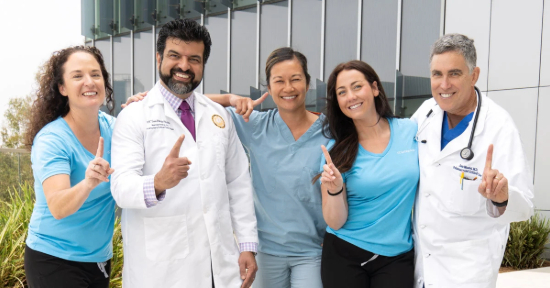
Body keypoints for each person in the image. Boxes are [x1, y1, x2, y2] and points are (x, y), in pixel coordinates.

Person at [110, 19, 258, 288]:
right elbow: (120, 188)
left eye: (194, 59)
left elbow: (238, 182)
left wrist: (247, 244)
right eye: (175, 56)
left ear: (203, 64)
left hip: (218, 265)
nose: (184, 66)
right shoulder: (134, 116)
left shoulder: (218, 116)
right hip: (161, 268)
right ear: (159, 58)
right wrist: (157, 183)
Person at [412, 34, 534, 288]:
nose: (444, 84)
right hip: (421, 265)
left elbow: (524, 206)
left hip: (465, 272)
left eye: (454, 73)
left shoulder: (499, 126)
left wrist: (501, 196)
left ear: (474, 75)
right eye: (437, 74)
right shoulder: (425, 112)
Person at [206, 47, 328, 288]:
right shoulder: (255, 125)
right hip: (265, 252)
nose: (288, 88)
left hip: (313, 252)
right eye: (279, 81)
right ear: (269, 88)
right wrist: (231, 98)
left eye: (295, 79)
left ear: (307, 82)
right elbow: (195, 103)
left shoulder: (330, 130)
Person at [317, 60, 418, 288]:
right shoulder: (335, 152)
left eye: (356, 87)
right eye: (342, 92)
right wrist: (335, 189)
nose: (350, 96)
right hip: (344, 253)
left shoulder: (409, 130)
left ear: (374, 88)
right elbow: (335, 220)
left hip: (397, 256)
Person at [23, 46, 117, 288]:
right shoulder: (52, 140)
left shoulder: (115, 128)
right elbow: (57, 206)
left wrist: (227, 98)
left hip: (99, 259)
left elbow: (165, 103)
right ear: (62, 88)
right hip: (53, 259)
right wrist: (88, 183)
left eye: (96, 75)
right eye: (77, 76)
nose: (89, 82)